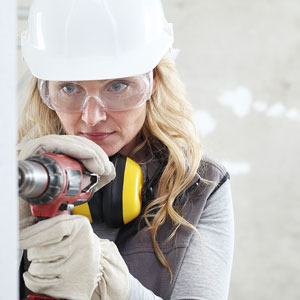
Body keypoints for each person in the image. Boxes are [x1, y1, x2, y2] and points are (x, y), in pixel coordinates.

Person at [18, 0, 234, 299]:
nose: (92, 117)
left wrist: (113, 282)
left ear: (153, 82)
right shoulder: (22, 176)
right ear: (45, 90)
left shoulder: (199, 185)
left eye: (117, 86)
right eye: (69, 88)